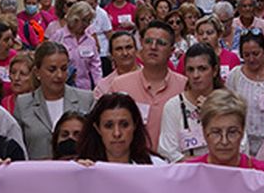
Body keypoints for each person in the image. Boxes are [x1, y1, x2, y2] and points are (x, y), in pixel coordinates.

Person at [104, 21, 188, 151]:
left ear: (171, 51)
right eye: (148, 41)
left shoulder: (184, 86)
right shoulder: (119, 85)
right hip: (132, 166)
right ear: (141, 45)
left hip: (173, 165)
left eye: (161, 43)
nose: (153, 47)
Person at [14, 41, 96, 160]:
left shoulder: (86, 99)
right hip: (38, 174)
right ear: (37, 72)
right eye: (52, 69)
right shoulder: (23, 104)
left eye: (63, 69)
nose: (59, 75)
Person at [178, 90, 264, 174]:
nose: (224, 141)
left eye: (232, 132)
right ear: (204, 132)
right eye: (216, 132)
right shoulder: (187, 173)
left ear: (242, 132)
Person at [159, 44, 224, 162]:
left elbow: (240, 147)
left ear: (214, 71)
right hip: (185, 175)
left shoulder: (229, 104)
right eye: (190, 69)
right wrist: (201, 165)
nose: (196, 75)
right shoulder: (173, 106)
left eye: (202, 69)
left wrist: (213, 113)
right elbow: (168, 151)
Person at [46, 1, 104, 90]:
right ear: (74, 19)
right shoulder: (59, 36)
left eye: (89, 21)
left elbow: (95, 65)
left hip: (84, 88)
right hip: (61, 86)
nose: (87, 25)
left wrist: (99, 85)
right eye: (84, 21)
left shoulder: (90, 40)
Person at [191, 14, 243, 78]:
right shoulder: (189, 58)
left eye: (209, 33)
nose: (204, 37)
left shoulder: (231, 58)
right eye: (201, 33)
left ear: (219, 34)